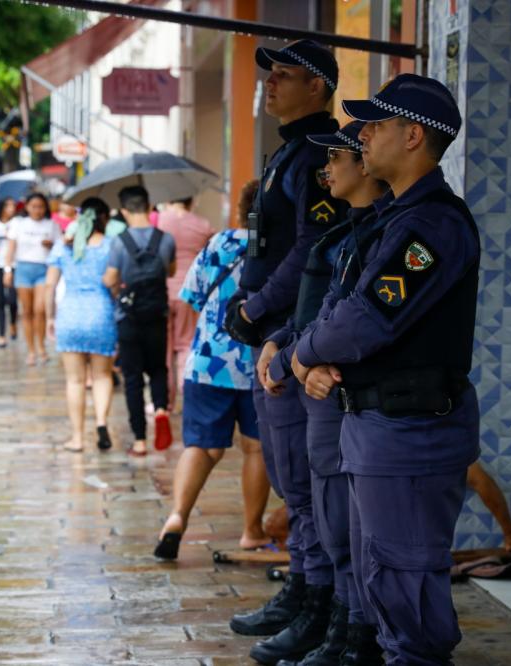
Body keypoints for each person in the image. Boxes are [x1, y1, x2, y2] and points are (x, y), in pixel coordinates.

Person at [290, 74, 479, 665]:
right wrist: (312, 360)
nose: (362, 136)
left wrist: (304, 353)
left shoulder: (431, 226)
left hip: (411, 429)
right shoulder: (392, 220)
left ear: (414, 135)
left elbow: (363, 322)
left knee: (407, 588)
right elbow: (341, 310)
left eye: (375, 124)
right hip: (378, 425)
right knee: (382, 579)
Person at [222, 39, 347, 664]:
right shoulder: (291, 152)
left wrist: (257, 306)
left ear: (320, 87)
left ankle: (317, 601)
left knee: (305, 483)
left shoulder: (321, 154)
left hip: (296, 339)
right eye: (269, 75)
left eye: (286, 76)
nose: (270, 84)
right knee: (291, 481)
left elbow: (312, 251)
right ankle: (301, 591)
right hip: (274, 337)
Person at [264, 121, 390, 666]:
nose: (327, 168)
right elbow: (321, 310)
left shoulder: (393, 233)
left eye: (339, 156)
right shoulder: (346, 235)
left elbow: (361, 322)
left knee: (353, 528)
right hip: (319, 379)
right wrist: (287, 345)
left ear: (365, 164)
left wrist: (303, 355)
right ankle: (337, 617)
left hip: (354, 397)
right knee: (323, 510)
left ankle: (353, 629)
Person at [154, 181, 270, 561]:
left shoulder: (218, 244)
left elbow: (190, 298)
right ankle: (252, 531)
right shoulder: (280, 248)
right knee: (256, 449)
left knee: (202, 447)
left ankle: (176, 517)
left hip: (208, 360)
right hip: (259, 363)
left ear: (239, 209)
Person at [103, 185, 177, 456]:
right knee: (158, 368)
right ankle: (159, 410)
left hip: (129, 316)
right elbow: (170, 270)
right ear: (148, 206)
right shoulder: (166, 239)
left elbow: (110, 278)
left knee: (133, 378)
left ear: (124, 210)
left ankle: (140, 441)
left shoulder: (119, 241)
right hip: (157, 313)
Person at [45, 197, 117, 453]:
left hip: (70, 313)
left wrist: (49, 318)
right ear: (104, 219)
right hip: (101, 312)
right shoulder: (111, 246)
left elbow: (50, 285)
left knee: (75, 381)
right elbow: (114, 283)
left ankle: (77, 437)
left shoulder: (63, 246)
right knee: (102, 375)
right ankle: (101, 422)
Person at [157, 197, 215, 410]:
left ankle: (164, 402)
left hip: (161, 290)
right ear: (191, 200)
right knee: (186, 346)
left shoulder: (159, 221)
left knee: (164, 349)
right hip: (190, 293)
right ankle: (187, 396)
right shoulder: (203, 224)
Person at [4, 192, 62, 366]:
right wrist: (8, 270)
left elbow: (59, 248)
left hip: (44, 269)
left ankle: (42, 347)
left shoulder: (52, 225)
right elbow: (11, 249)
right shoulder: (18, 224)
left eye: (41, 207)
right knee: (27, 311)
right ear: (27, 207)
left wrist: (50, 245)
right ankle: (31, 350)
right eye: (34, 206)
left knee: (40, 310)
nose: (37, 210)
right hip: (23, 268)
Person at [0, 197, 19, 348]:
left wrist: (9, 269)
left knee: (13, 300)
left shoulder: (17, 223)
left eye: (13, 205)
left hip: (13, 265)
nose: (11, 208)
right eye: (8, 205)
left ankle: (13, 323)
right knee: (1, 300)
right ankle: (1, 334)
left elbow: (14, 246)